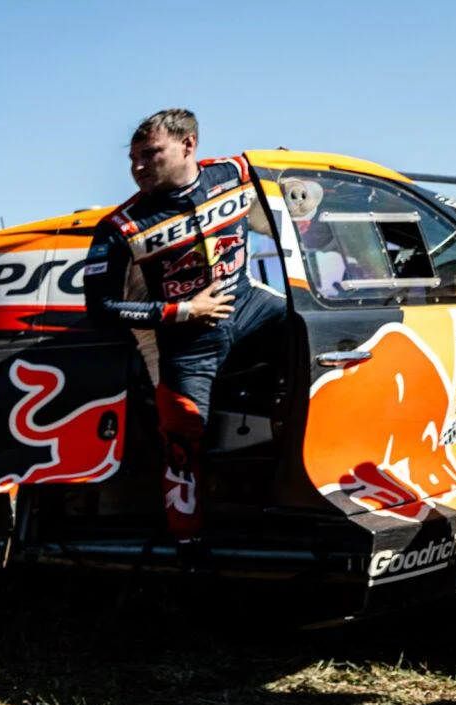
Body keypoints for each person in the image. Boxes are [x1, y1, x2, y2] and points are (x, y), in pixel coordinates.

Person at [83, 108, 282, 550]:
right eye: (132, 159)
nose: (137, 168)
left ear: (188, 145)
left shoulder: (235, 172)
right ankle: (188, 549)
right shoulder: (119, 226)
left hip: (248, 304)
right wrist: (182, 310)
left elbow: (297, 191)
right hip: (182, 341)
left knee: (323, 334)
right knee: (182, 441)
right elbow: (99, 308)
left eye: (149, 155)